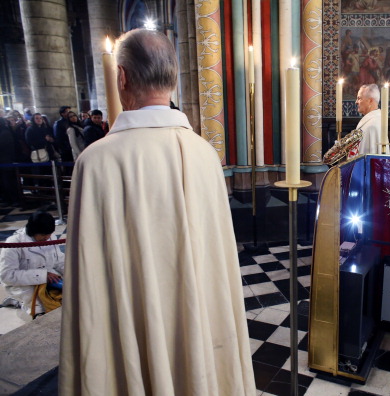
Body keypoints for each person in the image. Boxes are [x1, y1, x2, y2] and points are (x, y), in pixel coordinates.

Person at [59, 28, 256, 396]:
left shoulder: (96, 162)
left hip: (132, 336)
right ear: (173, 78)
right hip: (199, 332)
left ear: (121, 77)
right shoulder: (204, 153)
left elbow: (91, 286)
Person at [0, 211, 64, 317]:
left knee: (67, 296)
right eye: (43, 235)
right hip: (24, 284)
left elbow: (59, 260)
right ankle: (18, 301)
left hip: (49, 278)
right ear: (33, 231)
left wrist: (72, 272)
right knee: (41, 309)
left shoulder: (50, 236)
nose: (47, 237)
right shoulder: (13, 243)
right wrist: (43, 275)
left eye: (49, 234)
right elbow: (7, 276)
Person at [347, 83, 390, 159]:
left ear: (370, 101)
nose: (356, 102)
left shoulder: (373, 124)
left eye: (359, 98)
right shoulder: (371, 119)